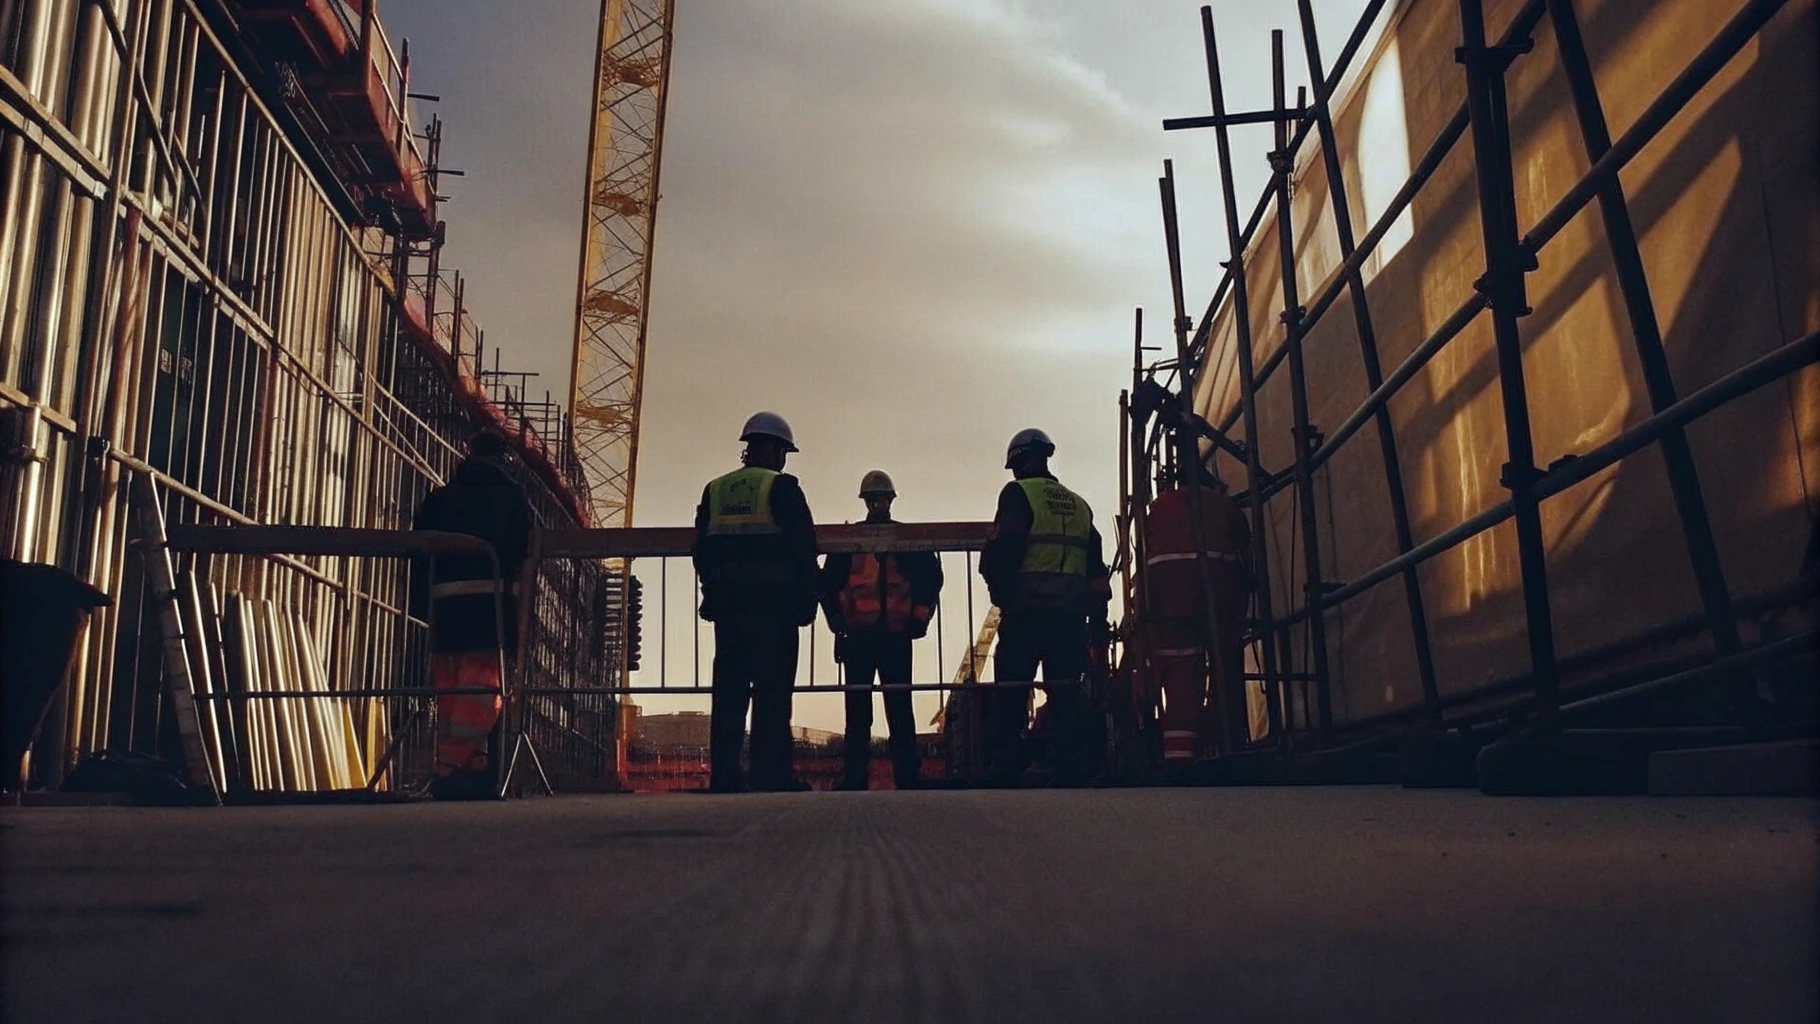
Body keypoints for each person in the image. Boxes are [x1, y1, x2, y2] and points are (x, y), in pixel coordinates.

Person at [693, 412, 819, 793]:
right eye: (783, 451)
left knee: (729, 693)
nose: (783, 459)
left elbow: (701, 549)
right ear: (774, 448)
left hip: (729, 605)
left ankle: (725, 776)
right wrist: (808, 599)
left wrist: (713, 589)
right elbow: (803, 547)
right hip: (773, 608)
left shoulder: (716, 489)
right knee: (772, 693)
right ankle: (770, 774)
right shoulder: (781, 488)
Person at [978, 428, 1112, 786]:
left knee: (1012, 689)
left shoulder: (1019, 493)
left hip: (1027, 612)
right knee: (1066, 690)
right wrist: (1098, 616)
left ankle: (1005, 766)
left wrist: (1000, 592)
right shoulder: (1079, 503)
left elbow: (1006, 547)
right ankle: (1070, 764)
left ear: (1018, 462)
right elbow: (1096, 568)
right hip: (1069, 616)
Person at [412, 429, 533, 800]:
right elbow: (525, 548)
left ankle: (469, 766)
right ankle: (452, 766)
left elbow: (419, 551)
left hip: (445, 609)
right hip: (489, 609)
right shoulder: (512, 498)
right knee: (482, 693)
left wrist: (420, 605)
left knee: (450, 692)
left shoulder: (439, 498)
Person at [820, 470, 943, 790]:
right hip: (862, 635)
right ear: (867, 502)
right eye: (873, 500)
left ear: (889, 500)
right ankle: (862, 776)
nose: (877, 504)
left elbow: (930, 582)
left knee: (897, 708)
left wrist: (918, 619)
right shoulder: (856, 542)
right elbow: (829, 586)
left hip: (892, 634)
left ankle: (903, 775)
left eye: (881, 499)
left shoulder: (899, 540)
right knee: (861, 711)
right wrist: (838, 624)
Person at [1139, 462, 1253, 773]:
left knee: (1182, 679)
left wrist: (1147, 611)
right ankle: (1231, 747)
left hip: (1171, 607)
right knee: (1226, 673)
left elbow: (1148, 557)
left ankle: (1179, 759)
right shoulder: (1227, 507)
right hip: (1219, 602)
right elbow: (1245, 558)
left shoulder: (1159, 508)